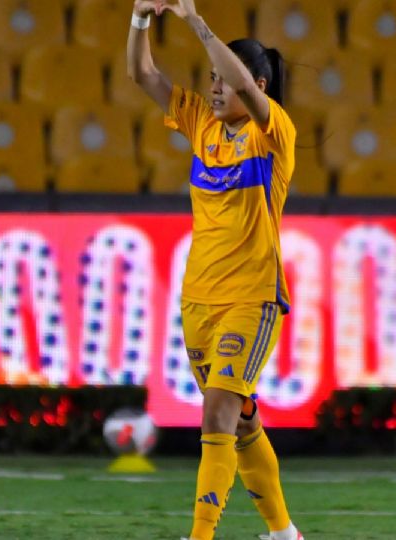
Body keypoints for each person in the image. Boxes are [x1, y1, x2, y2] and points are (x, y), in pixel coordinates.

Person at [127, 1, 303, 539]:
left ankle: (200, 536)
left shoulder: (273, 134)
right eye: (210, 81)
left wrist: (194, 21)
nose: (215, 89)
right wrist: (141, 19)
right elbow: (143, 74)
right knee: (242, 420)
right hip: (199, 299)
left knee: (219, 412)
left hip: (252, 296)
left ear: (260, 83)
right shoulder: (200, 122)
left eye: (222, 80)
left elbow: (248, 94)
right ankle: (284, 534)